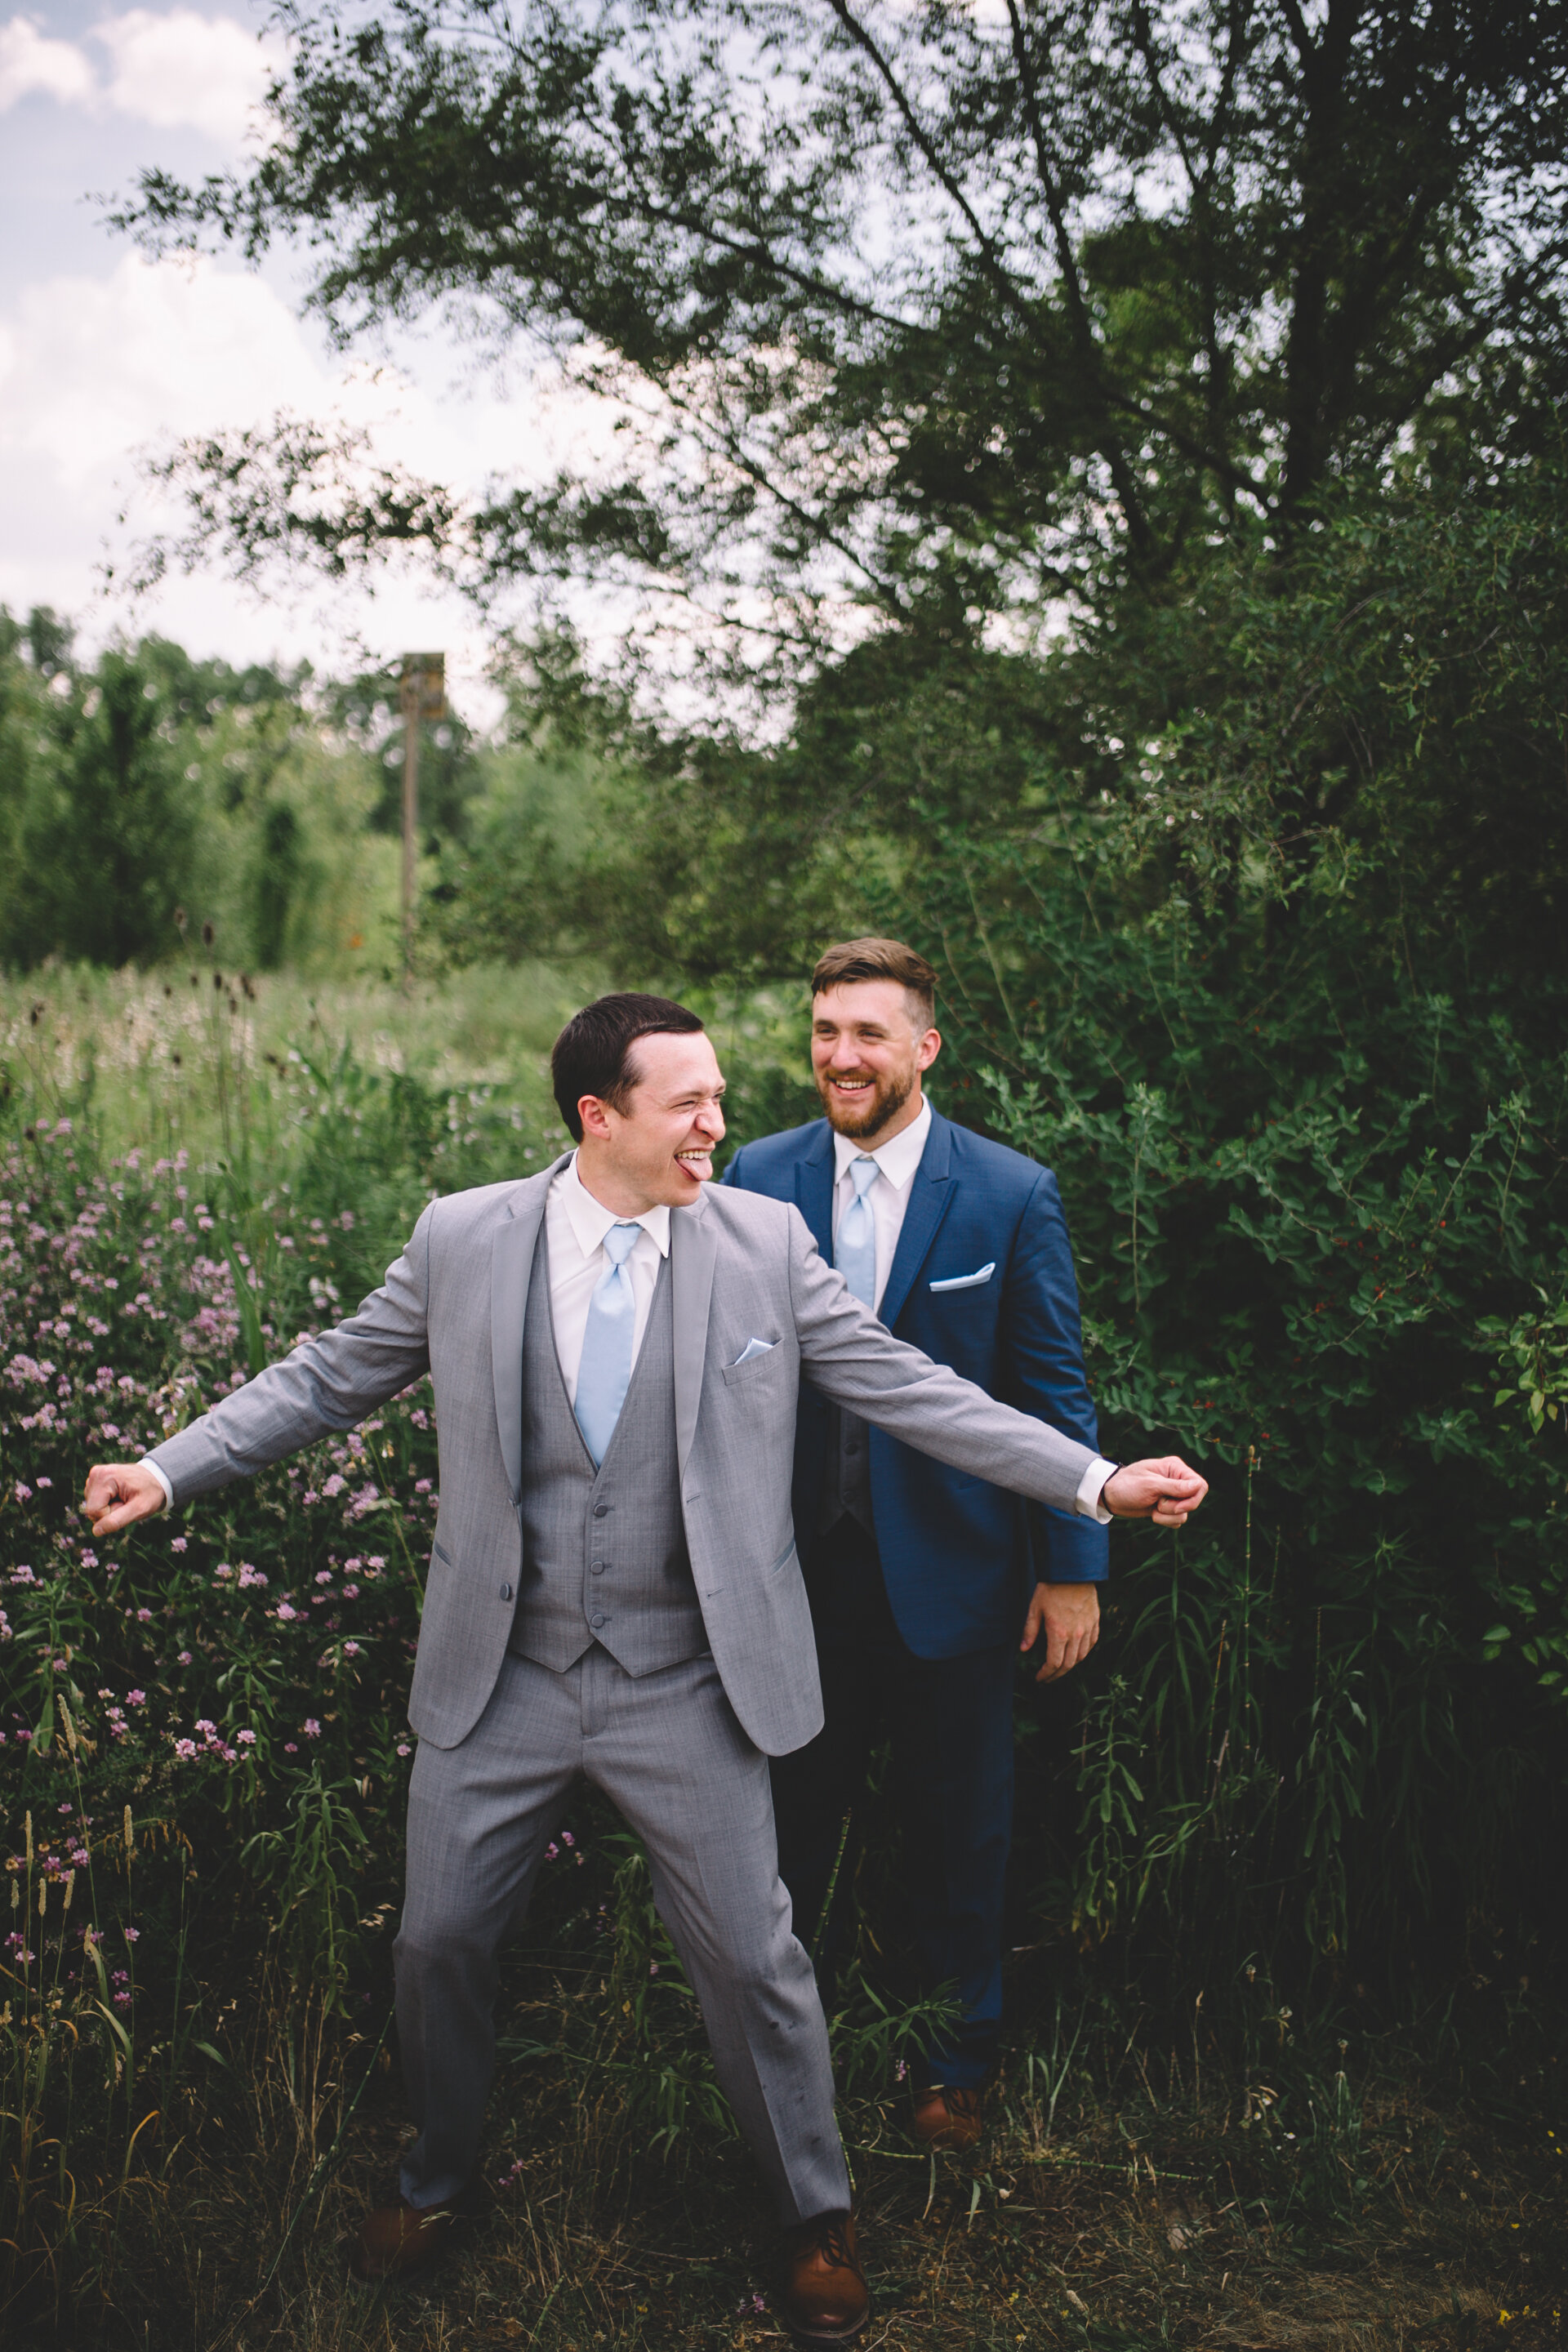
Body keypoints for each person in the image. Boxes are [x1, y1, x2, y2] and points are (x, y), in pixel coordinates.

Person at [85, 992, 1205, 2343]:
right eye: (690, 1104)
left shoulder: (759, 1240)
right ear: (597, 1117)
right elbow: (329, 1375)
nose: (721, 1125)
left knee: (755, 1959)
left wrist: (1093, 1481)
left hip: (687, 1676)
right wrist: (168, 1464)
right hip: (498, 1674)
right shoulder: (465, 1237)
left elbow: (912, 1389)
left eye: (723, 1096)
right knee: (436, 1942)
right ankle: (437, 2178)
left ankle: (813, 2213)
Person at [724, 938, 1112, 2150]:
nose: (841, 1056)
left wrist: (1070, 1568)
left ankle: (958, 2056)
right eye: (825, 1030)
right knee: (790, 1826)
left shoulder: (1006, 1193)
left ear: (924, 1047)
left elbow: (1050, 1393)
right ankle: (795, 2057)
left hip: (955, 1571)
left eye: (869, 1034)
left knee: (963, 1824)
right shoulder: (754, 1174)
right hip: (792, 1571)